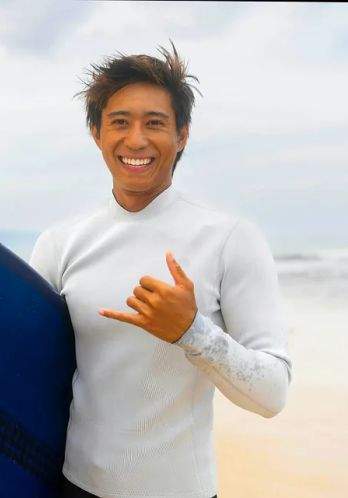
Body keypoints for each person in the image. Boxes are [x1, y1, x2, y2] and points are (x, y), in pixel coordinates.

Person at [29, 44, 292, 498]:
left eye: (154, 123)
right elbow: (23, 371)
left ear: (182, 134)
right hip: (73, 487)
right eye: (119, 122)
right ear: (96, 133)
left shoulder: (230, 239)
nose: (136, 140)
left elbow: (272, 395)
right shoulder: (60, 244)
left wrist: (193, 332)